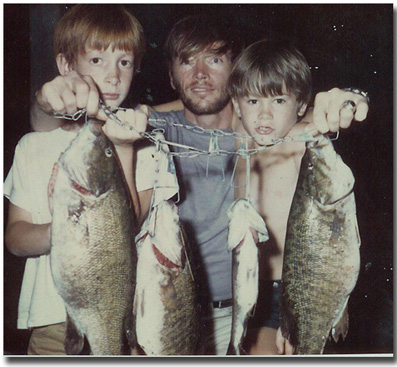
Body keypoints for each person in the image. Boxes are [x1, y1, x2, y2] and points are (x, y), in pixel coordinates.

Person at [30, 13, 369, 355]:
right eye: (187, 62)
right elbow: (50, 126)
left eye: (215, 59)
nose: (201, 75)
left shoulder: (259, 125)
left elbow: (314, 119)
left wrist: (350, 99)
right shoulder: (147, 127)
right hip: (169, 307)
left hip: (245, 311)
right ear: (172, 77)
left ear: (236, 71)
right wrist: (47, 101)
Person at [3, 4, 177, 355]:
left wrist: (125, 149)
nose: (113, 76)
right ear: (66, 65)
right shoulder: (33, 145)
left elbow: (131, 224)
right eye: (97, 60)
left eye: (124, 62)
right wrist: (64, 233)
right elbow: (15, 239)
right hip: (51, 323)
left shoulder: (147, 145)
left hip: (123, 317)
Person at [227, 39, 369, 355]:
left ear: (300, 106)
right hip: (248, 290)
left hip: (296, 291)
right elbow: (181, 110)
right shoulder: (236, 137)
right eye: (252, 101)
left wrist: (349, 101)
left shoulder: (299, 141)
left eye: (278, 100)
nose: (264, 114)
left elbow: (337, 119)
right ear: (236, 105)